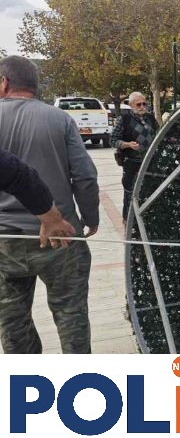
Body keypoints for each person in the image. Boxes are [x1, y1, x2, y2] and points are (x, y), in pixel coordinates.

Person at [0, 55, 99, 354]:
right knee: (71, 314)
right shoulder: (59, 119)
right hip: (61, 234)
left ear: (4, 83)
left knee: (12, 321)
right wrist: (90, 217)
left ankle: (26, 379)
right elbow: (84, 175)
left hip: (5, 241)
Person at [0, 147, 76, 248]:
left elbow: (16, 174)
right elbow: (85, 175)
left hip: (6, 229)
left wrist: (52, 219)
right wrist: (90, 219)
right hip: (54, 227)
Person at [111, 92, 159, 220]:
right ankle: (128, 220)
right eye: (139, 104)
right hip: (132, 163)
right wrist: (127, 144)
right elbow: (113, 140)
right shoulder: (124, 120)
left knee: (149, 192)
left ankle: (146, 220)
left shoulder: (150, 118)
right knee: (130, 193)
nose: (142, 106)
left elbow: (159, 134)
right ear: (131, 105)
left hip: (150, 162)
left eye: (144, 104)